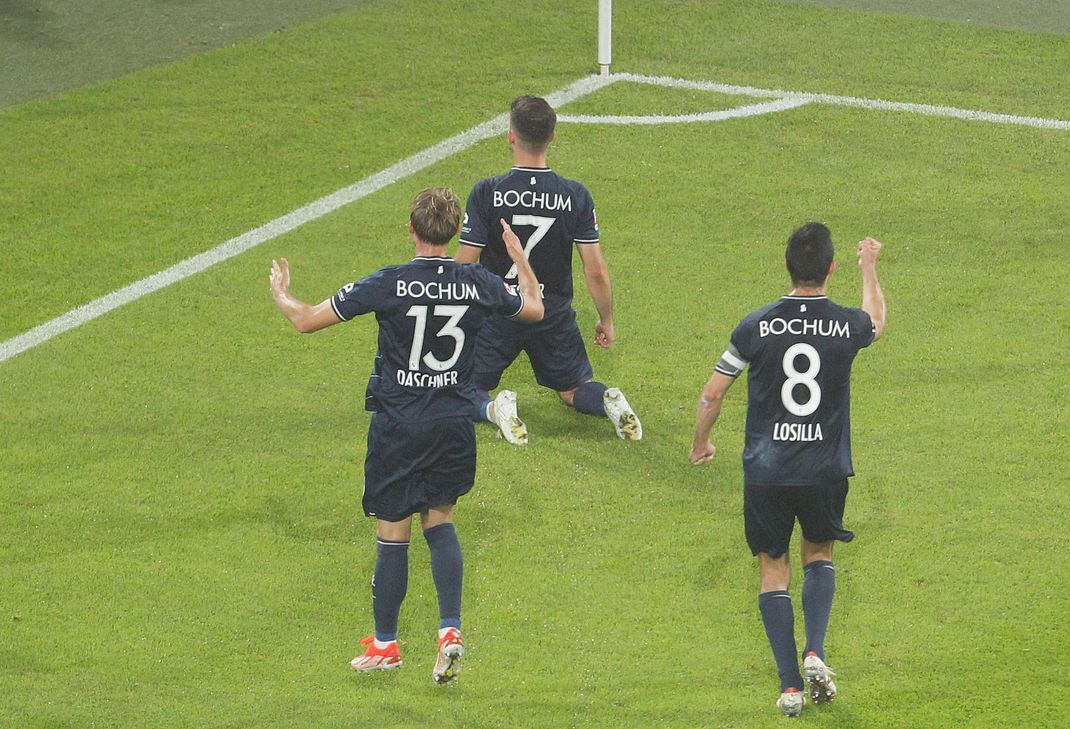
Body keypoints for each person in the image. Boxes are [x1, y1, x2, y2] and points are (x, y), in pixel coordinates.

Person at [269, 188, 543, 685]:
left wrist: (282, 294)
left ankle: (386, 645)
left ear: (412, 230)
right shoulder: (476, 281)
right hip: (454, 423)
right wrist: (521, 260)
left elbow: (307, 320)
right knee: (440, 523)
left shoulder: (391, 282)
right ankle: (450, 632)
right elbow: (533, 309)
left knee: (393, 531)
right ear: (455, 233)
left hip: (399, 426)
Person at [689, 223, 886, 716]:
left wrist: (701, 442)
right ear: (831, 268)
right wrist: (870, 270)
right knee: (818, 553)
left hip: (767, 472)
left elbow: (713, 392)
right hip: (825, 468)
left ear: (786, 266)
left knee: (771, 570)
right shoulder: (845, 324)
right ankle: (816, 649)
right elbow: (875, 322)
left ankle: (790, 686)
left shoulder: (756, 325)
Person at [454, 95, 641, 445]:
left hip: (501, 311)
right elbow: (595, 269)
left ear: (511, 136)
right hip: (552, 314)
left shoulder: (487, 193)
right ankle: (607, 402)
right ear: (552, 136)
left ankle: (496, 410)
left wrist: (445, 307)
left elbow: (465, 262)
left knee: (462, 388)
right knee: (573, 390)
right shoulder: (575, 195)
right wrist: (607, 319)